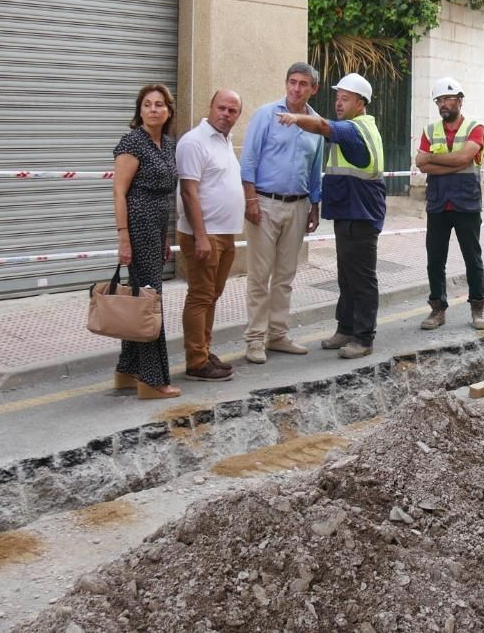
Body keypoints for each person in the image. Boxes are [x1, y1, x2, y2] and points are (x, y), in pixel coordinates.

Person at [278, 73, 385, 359]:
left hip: (361, 214)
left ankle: (363, 338)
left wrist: (296, 118)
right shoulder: (359, 126)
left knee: (361, 279)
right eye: (337, 98)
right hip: (349, 211)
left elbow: (324, 126)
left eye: (345, 99)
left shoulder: (355, 129)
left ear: (360, 103)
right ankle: (345, 328)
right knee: (347, 276)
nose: (338, 103)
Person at [238, 64, 325, 364]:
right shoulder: (267, 115)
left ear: (314, 89)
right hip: (264, 203)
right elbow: (248, 159)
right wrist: (250, 200)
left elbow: (315, 169)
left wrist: (315, 205)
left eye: (303, 84)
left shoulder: (316, 123)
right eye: (292, 82)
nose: (296, 89)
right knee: (260, 276)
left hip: (299, 205)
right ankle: (254, 339)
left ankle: (277, 335)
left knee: (285, 276)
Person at [112, 83, 181, 400]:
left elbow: (165, 195)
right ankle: (152, 380)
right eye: (148, 104)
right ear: (139, 110)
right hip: (137, 225)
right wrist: (123, 237)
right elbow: (119, 192)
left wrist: (165, 235)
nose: (154, 109)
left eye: (160, 104)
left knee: (142, 298)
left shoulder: (167, 144)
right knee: (150, 300)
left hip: (155, 227)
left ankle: (127, 371)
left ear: (168, 110)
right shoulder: (132, 142)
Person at [175, 89, 244, 382]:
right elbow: (189, 193)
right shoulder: (194, 142)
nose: (226, 114)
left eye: (232, 111)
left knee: (212, 296)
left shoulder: (224, 141)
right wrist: (201, 236)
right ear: (210, 106)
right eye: (222, 108)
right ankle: (196, 361)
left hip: (224, 234)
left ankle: (204, 350)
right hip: (204, 235)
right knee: (200, 296)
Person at [414, 77, 484, 331]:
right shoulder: (430, 130)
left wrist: (435, 161)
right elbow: (420, 163)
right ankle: (437, 310)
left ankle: (477, 309)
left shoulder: (475, 128)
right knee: (435, 259)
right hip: (438, 204)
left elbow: (465, 157)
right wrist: (454, 162)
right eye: (439, 100)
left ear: (459, 100)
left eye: (448, 99)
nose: (443, 104)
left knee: (472, 258)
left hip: (466, 203)